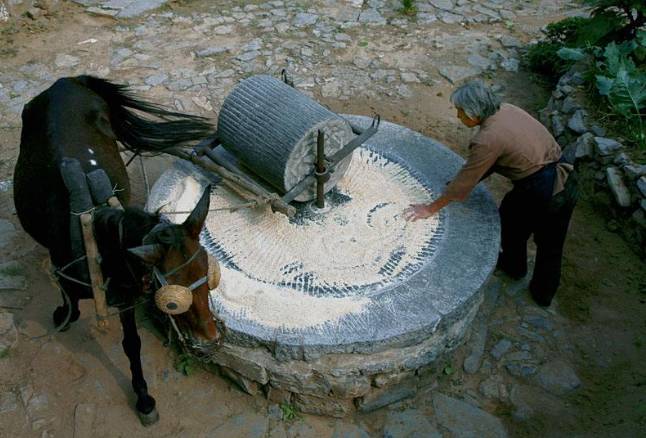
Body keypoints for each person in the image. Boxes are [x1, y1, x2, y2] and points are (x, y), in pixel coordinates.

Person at [404, 80, 578, 307]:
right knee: (550, 243)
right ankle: (542, 293)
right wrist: (468, 179)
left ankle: (515, 268)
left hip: (543, 187)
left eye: (460, 112)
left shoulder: (487, 139)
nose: (458, 116)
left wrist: (429, 208)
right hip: (567, 177)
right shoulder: (506, 109)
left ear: (473, 114)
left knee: (514, 223)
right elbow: (492, 162)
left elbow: (462, 186)